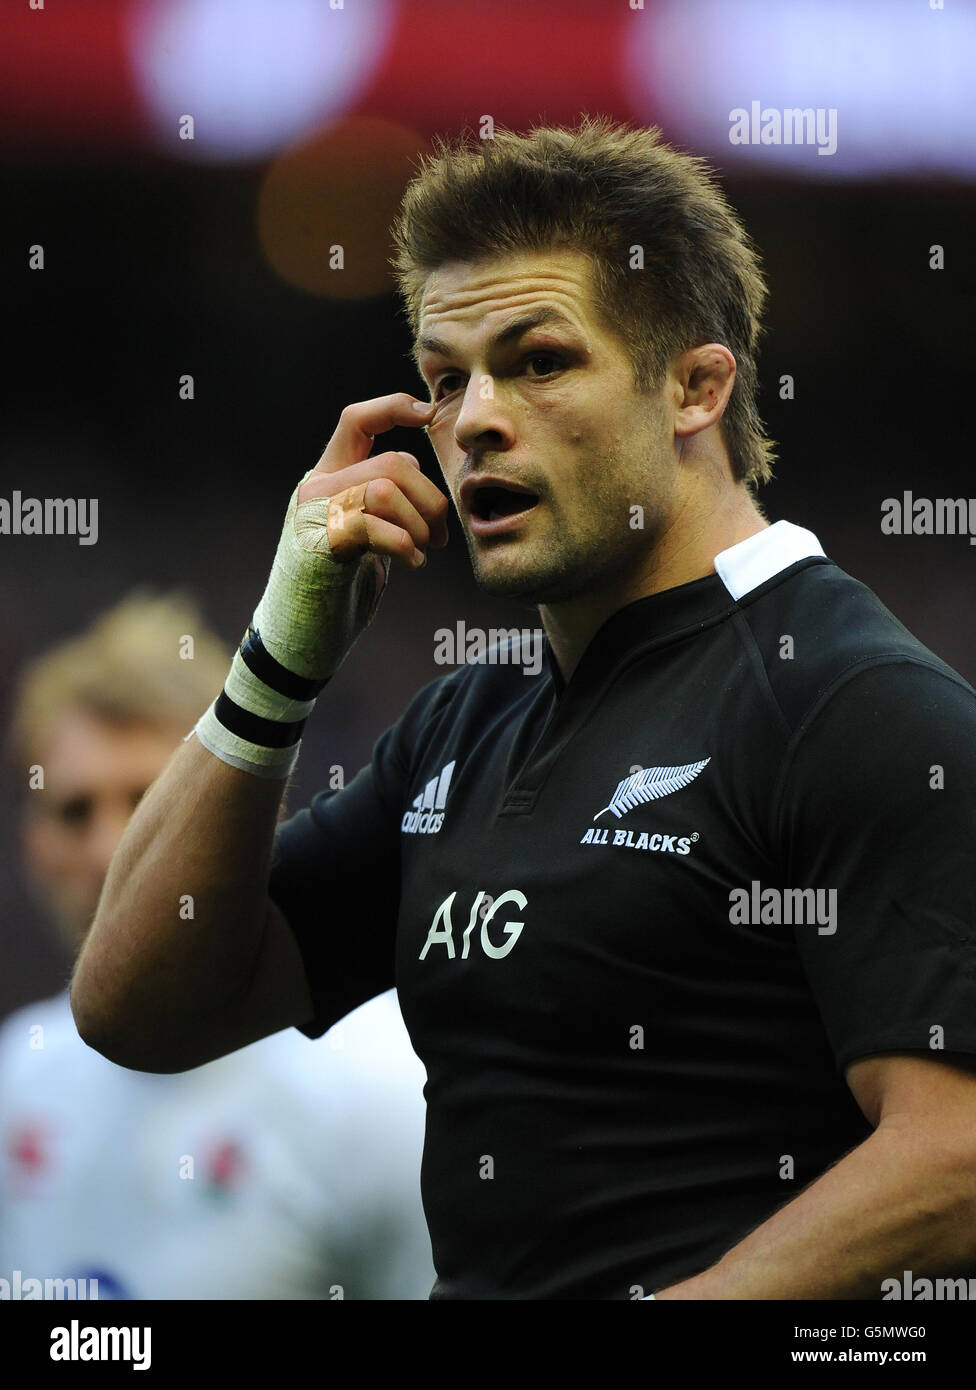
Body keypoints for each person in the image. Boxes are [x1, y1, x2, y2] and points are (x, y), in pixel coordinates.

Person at [71, 118, 976, 1300]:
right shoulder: (459, 727)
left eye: (538, 361)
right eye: (445, 380)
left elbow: (954, 1156)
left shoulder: (854, 700)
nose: (475, 419)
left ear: (696, 386)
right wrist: (277, 661)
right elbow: (137, 1010)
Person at [1, 593, 434, 1300]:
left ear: (239, 819)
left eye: (147, 803)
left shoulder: (380, 1088)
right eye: (73, 810)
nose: (110, 850)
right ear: (29, 842)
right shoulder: (19, 1077)